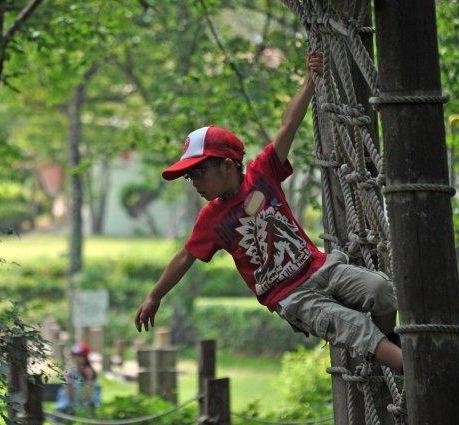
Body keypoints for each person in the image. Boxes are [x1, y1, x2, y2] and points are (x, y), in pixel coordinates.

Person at [134, 51, 403, 373]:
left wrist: (309, 82)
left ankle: (385, 353)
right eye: (189, 176)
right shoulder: (211, 219)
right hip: (291, 296)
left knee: (382, 290)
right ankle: (410, 366)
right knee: (354, 328)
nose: (193, 183)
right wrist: (154, 296)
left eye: (197, 173)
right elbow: (184, 258)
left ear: (228, 166)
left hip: (322, 268)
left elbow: (288, 125)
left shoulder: (263, 174)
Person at [55, 343, 101, 416]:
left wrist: (89, 379)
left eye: (79, 356)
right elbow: (70, 398)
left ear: (86, 358)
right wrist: (68, 381)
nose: (76, 359)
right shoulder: (70, 373)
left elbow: (86, 398)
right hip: (67, 410)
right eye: (75, 356)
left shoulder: (91, 374)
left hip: (86, 411)